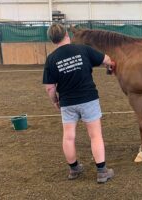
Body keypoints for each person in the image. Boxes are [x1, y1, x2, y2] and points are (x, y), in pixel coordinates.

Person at [43, 23, 114, 183]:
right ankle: (102, 172)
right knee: (95, 136)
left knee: (68, 137)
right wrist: (110, 64)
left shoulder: (51, 59)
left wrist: (55, 101)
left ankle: (74, 169)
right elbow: (106, 59)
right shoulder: (83, 49)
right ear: (66, 34)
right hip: (89, 99)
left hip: (67, 102)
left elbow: (49, 88)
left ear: (52, 40)